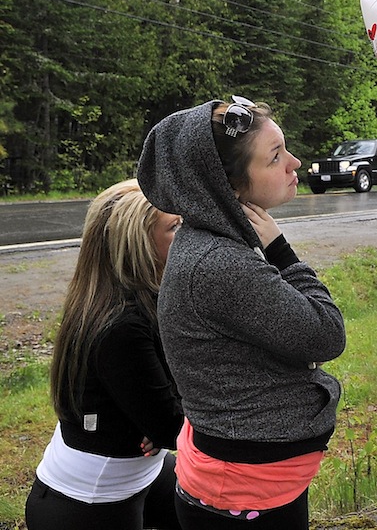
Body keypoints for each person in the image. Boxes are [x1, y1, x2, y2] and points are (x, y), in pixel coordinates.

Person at [136, 97, 346, 530]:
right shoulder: (221, 263)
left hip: (244, 475)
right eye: (275, 157)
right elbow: (326, 334)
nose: (294, 162)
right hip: (245, 489)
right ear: (227, 185)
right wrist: (281, 251)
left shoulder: (207, 240)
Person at [25, 180, 184, 530]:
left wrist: (168, 416)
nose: (187, 235)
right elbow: (174, 427)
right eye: (174, 227)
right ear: (139, 244)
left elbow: (173, 413)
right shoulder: (119, 325)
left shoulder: (150, 294)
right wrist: (168, 419)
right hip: (89, 502)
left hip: (144, 474)